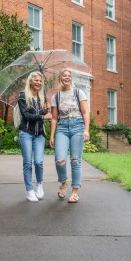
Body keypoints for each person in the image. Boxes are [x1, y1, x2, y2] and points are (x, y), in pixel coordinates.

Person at [49, 68, 90, 203]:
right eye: (64, 76)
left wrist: (86, 130)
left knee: (75, 160)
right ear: (60, 78)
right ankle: (63, 183)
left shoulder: (79, 92)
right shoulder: (56, 96)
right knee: (60, 160)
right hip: (62, 128)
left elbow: (85, 112)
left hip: (78, 126)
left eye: (69, 76)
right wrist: (52, 136)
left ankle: (75, 192)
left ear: (71, 78)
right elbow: (54, 118)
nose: (67, 77)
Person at [18, 72, 52, 202]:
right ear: (30, 82)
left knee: (38, 161)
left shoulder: (42, 97)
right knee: (27, 162)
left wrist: (46, 110)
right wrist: (43, 116)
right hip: (26, 132)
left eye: (40, 81)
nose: (38, 83)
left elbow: (43, 115)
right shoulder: (23, 96)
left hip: (39, 134)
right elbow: (27, 116)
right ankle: (29, 190)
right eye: (36, 80)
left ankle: (39, 185)